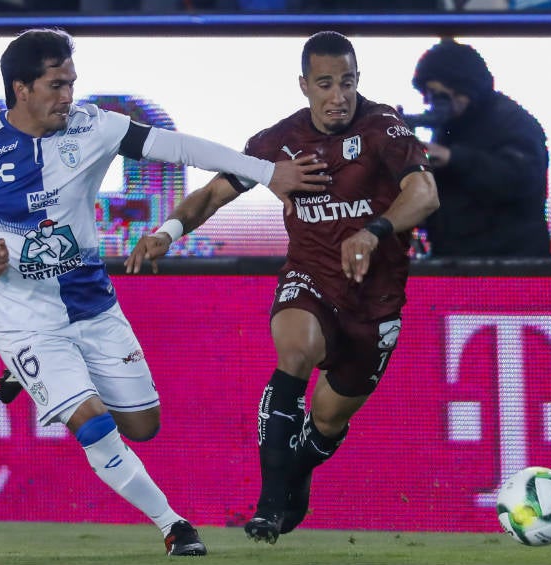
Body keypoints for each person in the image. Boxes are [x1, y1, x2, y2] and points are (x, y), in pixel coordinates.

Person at [0, 28, 328, 556]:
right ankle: (173, 525)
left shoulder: (93, 127)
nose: (68, 96)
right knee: (92, 421)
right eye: (56, 85)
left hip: (91, 301)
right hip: (22, 315)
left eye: (71, 83)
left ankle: (31, 377)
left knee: (144, 426)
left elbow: (181, 147)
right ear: (20, 88)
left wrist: (264, 171)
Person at [125, 31, 439, 544]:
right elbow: (212, 194)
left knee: (328, 421)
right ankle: (269, 507)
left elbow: (424, 193)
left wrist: (373, 230)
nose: (338, 96)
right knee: (296, 350)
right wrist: (166, 233)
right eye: (325, 84)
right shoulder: (277, 144)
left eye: (347, 83)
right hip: (310, 278)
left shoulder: (385, 128)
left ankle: (297, 475)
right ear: (303, 86)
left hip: (376, 300)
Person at [408, 38, 550, 258]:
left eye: (438, 95)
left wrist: (453, 158)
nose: (432, 103)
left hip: (510, 265)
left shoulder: (513, 121)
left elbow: (521, 178)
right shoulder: (452, 125)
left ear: (463, 88)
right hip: (458, 259)